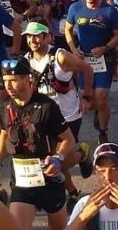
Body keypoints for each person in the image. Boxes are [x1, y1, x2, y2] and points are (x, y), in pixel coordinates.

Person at [0, 57, 90, 230]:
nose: (9, 86)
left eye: (14, 81)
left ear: (27, 80)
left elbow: (68, 139)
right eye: (6, 81)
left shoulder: (46, 107)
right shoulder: (4, 106)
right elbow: (4, 134)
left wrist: (57, 158)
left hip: (49, 180)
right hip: (22, 182)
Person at [22, 22, 94, 205]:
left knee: (59, 159)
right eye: (29, 36)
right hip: (45, 116)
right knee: (52, 155)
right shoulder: (27, 59)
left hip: (68, 114)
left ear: (47, 37)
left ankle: (81, 153)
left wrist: (87, 96)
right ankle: (73, 193)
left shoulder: (60, 57)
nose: (33, 40)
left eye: (37, 36)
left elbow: (88, 69)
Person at [65, 0, 118, 144]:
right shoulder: (75, 8)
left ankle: (103, 131)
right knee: (87, 98)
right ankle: (98, 112)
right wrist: (74, 50)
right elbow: (68, 30)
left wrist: (105, 48)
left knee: (101, 97)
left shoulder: (109, 11)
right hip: (84, 61)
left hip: (104, 60)